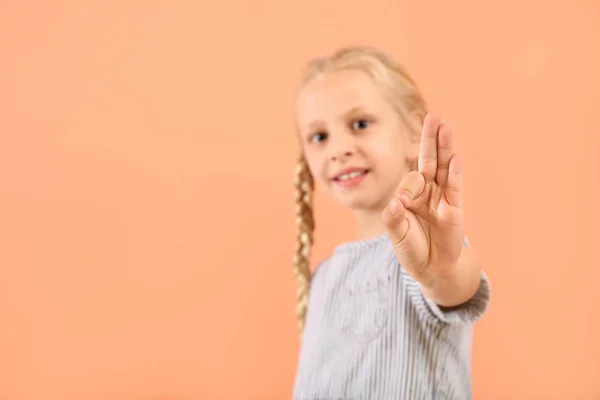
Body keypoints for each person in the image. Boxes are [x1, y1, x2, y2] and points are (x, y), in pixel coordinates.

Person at [291, 45, 492, 400]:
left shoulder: (424, 255)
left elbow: (454, 285)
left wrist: (440, 275)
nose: (338, 149)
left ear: (415, 132)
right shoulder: (323, 277)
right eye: (319, 136)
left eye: (360, 124)